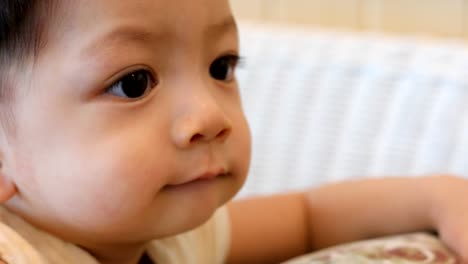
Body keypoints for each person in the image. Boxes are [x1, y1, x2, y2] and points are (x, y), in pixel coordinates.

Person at [0, 0, 467, 264]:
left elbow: (309, 217)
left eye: (220, 66)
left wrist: (436, 196)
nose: (209, 115)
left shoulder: (176, 237)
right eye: (134, 83)